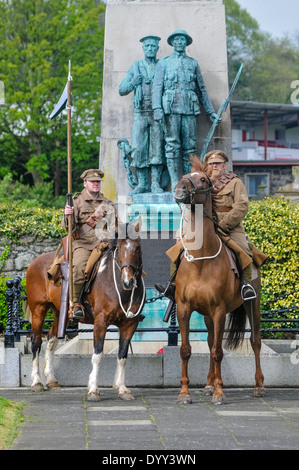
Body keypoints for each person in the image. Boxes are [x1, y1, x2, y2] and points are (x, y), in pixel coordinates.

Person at [155, 150, 257, 301]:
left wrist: (223, 225)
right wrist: (180, 233)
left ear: (224, 166)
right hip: (201, 228)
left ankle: (245, 287)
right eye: (210, 164)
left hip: (229, 228)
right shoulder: (198, 183)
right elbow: (189, 209)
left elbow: (241, 207)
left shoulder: (235, 182)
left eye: (217, 164)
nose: (214, 166)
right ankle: (173, 286)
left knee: (244, 252)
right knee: (175, 252)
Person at [152, 29, 220, 191]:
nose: (180, 42)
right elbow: (157, 87)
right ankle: (175, 181)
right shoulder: (164, 63)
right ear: (172, 43)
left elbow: (202, 90)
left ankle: (189, 181)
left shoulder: (193, 63)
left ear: (186, 43)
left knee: (190, 147)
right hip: (170, 109)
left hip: (189, 108)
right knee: (172, 145)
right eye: (177, 40)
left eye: (182, 40)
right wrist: (157, 108)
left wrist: (211, 112)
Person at [62, 169, 117, 319]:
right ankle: (76, 304)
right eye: (92, 182)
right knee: (79, 267)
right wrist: (68, 216)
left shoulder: (107, 203)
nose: (95, 184)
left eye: (98, 182)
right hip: (83, 244)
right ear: (85, 183)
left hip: (104, 245)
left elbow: (113, 227)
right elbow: (67, 228)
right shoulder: (75, 202)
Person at [119, 35, 164, 194]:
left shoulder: (162, 65)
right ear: (143, 49)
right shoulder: (136, 66)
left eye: (153, 46)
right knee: (138, 148)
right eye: (147, 46)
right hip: (140, 112)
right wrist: (133, 83)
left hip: (158, 113)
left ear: (157, 48)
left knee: (157, 149)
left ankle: (155, 184)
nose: (150, 49)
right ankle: (143, 183)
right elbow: (121, 89)